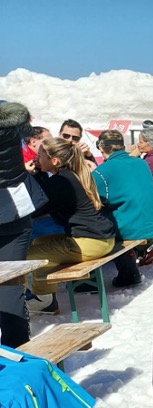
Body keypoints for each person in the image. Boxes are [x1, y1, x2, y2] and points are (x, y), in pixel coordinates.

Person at [25, 138, 116, 314]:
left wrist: (30, 175)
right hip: (100, 239)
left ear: (55, 161)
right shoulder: (69, 175)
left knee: (25, 256)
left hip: (90, 242)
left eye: (41, 155)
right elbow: (45, 192)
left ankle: (39, 300)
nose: (37, 158)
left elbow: (32, 209)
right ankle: (45, 298)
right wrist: (38, 171)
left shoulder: (60, 183)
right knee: (39, 243)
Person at [0, 102, 47, 348]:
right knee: (10, 287)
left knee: (9, 287)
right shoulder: (12, 126)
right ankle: (17, 347)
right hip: (15, 211)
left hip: (13, 213)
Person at [93, 129, 153, 287]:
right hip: (152, 222)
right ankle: (128, 269)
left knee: (90, 223)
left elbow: (92, 201)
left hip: (132, 227)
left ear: (101, 148)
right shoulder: (141, 163)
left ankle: (122, 274)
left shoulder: (101, 172)